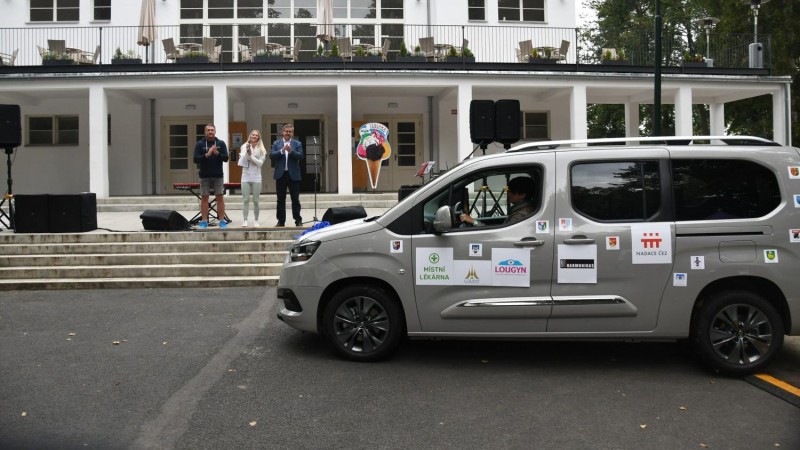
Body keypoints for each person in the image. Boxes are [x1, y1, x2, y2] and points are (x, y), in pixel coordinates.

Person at [192, 123, 229, 229]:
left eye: (212, 130)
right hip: (204, 175)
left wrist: (217, 153)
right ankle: (204, 221)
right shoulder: (200, 144)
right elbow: (195, 159)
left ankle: (222, 220)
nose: (210, 132)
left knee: (220, 198)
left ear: (215, 131)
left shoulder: (221, 143)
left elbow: (226, 158)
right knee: (204, 198)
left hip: (218, 175)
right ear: (205, 132)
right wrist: (207, 154)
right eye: (208, 130)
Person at [460, 177, 537, 226]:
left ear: (522, 194)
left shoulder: (520, 215)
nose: (507, 194)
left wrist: (473, 221)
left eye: (511, 191)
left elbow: (496, 234)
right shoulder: (521, 210)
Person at [269, 123, 304, 226]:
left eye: (290, 131)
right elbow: (272, 155)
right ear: (282, 132)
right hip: (281, 175)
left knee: (295, 199)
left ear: (292, 133)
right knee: (280, 199)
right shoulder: (276, 143)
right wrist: (282, 150)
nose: (288, 133)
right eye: (286, 131)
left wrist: (291, 151)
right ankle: (281, 221)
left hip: (294, 175)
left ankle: (298, 220)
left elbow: (301, 156)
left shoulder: (297, 144)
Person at [238, 129, 266, 227]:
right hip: (245, 176)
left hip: (256, 177)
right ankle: (245, 220)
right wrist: (247, 152)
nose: (254, 136)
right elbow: (241, 162)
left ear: (258, 137)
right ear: (250, 136)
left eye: (256, 135)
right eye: (252, 135)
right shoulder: (244, 146)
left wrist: (251, 156)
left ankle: (256, 220)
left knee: (256, 200)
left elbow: (260, 163)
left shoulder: (261, 148)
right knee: (245, 199)